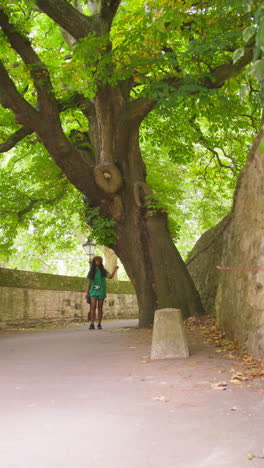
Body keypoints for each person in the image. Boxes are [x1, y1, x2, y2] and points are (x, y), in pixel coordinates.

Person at [85, 256, 118, 330]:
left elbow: (110, 277)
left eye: (99, 260)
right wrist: (86, 292)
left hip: (101, 290)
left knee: (100, 307)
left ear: (100, 262)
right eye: (96, 260)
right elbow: (89, 282)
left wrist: (114, 270)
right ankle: (92, 324)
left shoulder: (103, 270)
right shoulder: (91, 271)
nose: (98, 261)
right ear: (94, 262)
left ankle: (99, 324)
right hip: (93, 291)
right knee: (93, 307)